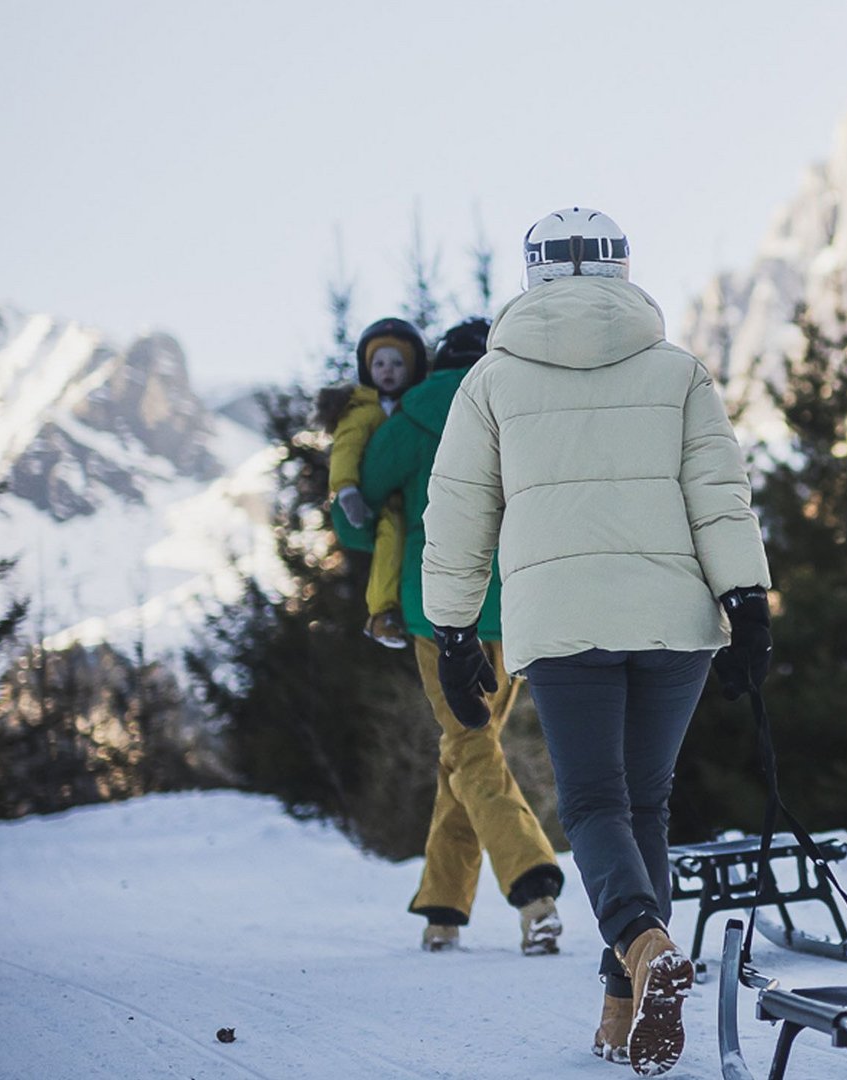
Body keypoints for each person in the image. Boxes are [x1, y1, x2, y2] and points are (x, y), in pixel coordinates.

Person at [420, 206, 771, 1075]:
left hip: (565, 622)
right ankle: (624, 1009)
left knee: (592, 805)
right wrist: (748, 601)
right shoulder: (678, 370)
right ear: (622, 267)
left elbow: (459, 513)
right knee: (643, 800)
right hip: (675, 620)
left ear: (533, 273)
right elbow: (720, 494)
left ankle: (645, 948)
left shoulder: (491, 380)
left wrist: (455, 630)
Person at [359, 315, 567, 956]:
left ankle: (534, 891)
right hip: (512, 605)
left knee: (469, 747)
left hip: (437, 611)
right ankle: (443, 909)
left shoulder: (413, 416)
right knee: (468, 745)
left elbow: (361, 504)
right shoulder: (519, 405)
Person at [321, 317, 427, 648]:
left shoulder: (418, 405)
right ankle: (382, 613)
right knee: (391, 536)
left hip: (420, 492)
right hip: (387, 501)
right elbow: (346, 449)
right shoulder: (362, 411)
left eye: (397, 363)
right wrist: (348, 489)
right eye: (379, 363)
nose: (388, 370)